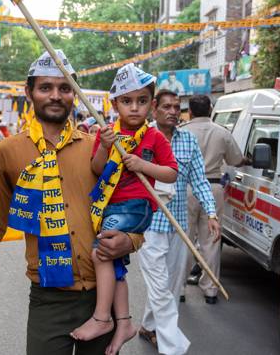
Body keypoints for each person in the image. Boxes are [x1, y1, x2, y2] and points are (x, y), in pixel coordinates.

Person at [0, 50, 144, 355]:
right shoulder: (8, 153)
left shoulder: (101, 150)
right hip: (48, 300)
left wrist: (130, 240)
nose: (56, 95)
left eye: (65, 88)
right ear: (29, 92)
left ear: (75, 95)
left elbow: (133, 209)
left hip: (102, 299)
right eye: (45, 87)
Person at [71, 64, 178, 355]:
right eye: (127, 101)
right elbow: (96, 169)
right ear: (114, 103)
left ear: (151, 105)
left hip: (137, 205)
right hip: (109, 205)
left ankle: (101, 318)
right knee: (115, 266)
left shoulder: (154, 138)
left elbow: (171, 173)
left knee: (100, 251)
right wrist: (105, 147)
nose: (134, 108)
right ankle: (125, 324)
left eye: (142, 101)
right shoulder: (106, 133)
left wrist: (143, 165)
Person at [137, 90, 219, 355]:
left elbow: (199, 180)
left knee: (171, 284)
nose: (173, 111)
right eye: (167, 107)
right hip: (149, 225)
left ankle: (149, 326)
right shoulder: (141, 138)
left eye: (176, 107)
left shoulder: (189, 141)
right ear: (154, 109)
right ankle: (173, 347)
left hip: (178, 224)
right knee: (160, 286)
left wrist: (212, 213)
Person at [181, 95, 245, 304]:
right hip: (213, 188)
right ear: (210, 110)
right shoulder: (222, 132)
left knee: (185, 240)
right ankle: (210, 290)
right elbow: (236, 160)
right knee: (211, 240)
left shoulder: (181, 132)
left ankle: (179, 289)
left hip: (187, 189)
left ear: (189, 111)